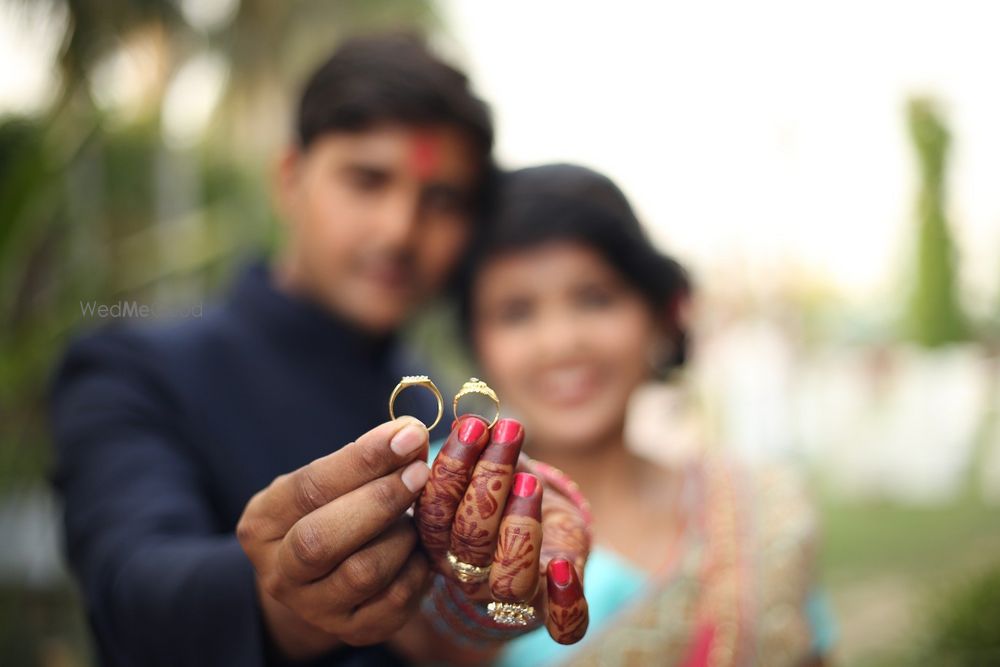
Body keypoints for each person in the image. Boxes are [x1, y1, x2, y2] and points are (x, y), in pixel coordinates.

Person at [48, 36, 588, 667]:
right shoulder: (133, 372)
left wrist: (480, 607)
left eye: (441, 200)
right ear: (290, 178)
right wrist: (281, 600)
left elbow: (458, 634)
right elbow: (130, 592)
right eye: (367, 180)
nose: (399, 230)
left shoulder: (447, 415)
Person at [454, 164, 836, 666]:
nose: (562, 342)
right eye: (517, 312)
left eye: (595, 299)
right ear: (476, 342)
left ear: (657, 315)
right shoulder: (442, 510)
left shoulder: (758, 514)